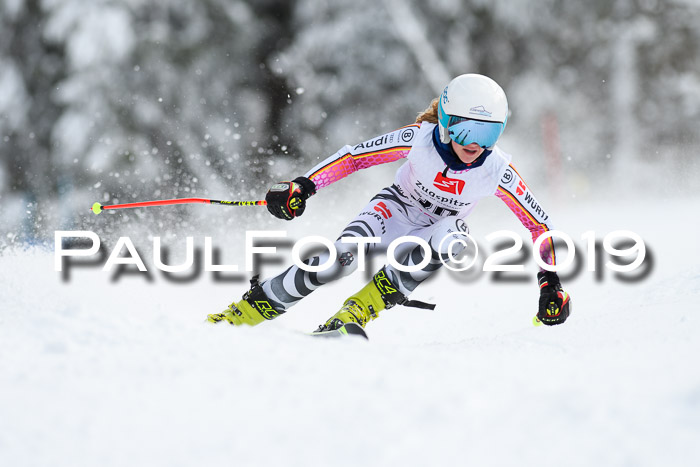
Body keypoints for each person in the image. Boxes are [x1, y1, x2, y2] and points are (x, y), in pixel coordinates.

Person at [207, 74, 571, 331]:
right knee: (337, 262)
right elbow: (354, 157)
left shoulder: (496, 170)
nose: (475, 143)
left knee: (456, 238)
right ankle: (246, 312)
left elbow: (540, 226)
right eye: (465, 130)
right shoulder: (419, 139)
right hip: (393, 209)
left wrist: (549, 281)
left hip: (433, 231)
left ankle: (357, 311)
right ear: (445, 121)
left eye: (488, 132)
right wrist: (303, 186)